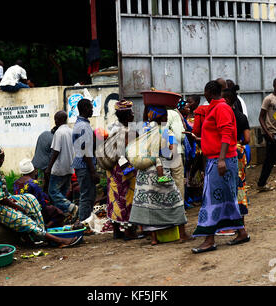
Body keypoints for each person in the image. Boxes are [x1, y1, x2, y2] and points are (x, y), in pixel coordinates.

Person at [0, 145, 82, 247]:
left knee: (30, 198)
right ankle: (58, 240)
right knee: (25, 220)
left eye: (3, 158)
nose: (2, 160)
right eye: (0, 158)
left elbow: (4, 194)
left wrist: (16, 202)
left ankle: (40, 232)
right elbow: (0, 199)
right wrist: (18, 207)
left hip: (4, 199)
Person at [192, 81, 250, 254]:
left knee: (211, 199)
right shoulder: (215, 108)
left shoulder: (221, 108)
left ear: (210, 92)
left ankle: (209, 239)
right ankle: (241, 232)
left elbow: (227, 134)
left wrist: (222, 159)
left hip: (221, 159)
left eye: (205, 93)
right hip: (216, 158)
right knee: (227, 198)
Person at [129, 105, 191, 246]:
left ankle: (154, 238)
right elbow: (169, 154)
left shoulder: (145, 130)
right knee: (176, 200)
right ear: (162, 117)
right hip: (160, 173)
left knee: (150, 203)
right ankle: (182, 234)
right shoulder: (165, 132)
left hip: (144, 175)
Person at [105, 100, 141, 240]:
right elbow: (121, 152)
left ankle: (116, 231)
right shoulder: (124, 131)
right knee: (126, 199)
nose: (133, 115)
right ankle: (128, 232)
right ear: (126, 116)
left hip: (113, 169)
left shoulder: (113, 127)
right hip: (123, 169)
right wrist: (129, 168)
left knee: (114, 198)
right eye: (131, 113)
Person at [222, 88, 250, 220]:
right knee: (240, 183)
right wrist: (240, 142)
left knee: (226, 184)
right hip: (239, 151)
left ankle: (229, 217)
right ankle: (241, 214)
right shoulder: (241, 117)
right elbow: (248, 139)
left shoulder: (223, 116)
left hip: (227, 152)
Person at [45, 111, 78, 221]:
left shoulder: (59, 132)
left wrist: (49, 168)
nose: (55, 121)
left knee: (53, 192)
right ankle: (65, 217)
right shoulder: (71, 131)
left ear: (59, 120)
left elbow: (55, 151)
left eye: (55, 119)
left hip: (59, 169)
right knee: (62, 194)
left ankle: (71, 207)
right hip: (69, 168)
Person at [14, 159, 66, 229]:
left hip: (22, 209)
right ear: (33, 171)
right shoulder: (33, 183)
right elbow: (42, 203)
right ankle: (46, 227)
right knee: (59, 213)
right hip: (35, 211)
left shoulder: (16, 182)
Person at [72, 99, 99, 222]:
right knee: (86, 196)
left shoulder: (82, 124)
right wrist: (93, 171)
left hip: (83, 166)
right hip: (85, 166)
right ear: (84, 109)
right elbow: (85, 150)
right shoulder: (83, 126)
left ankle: (87, 221)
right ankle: (83, 223)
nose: (92, 110)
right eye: (90, 107)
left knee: (90, 195)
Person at [32, 127, 56, 191]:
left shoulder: (44, 133)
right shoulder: (54, 139)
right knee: (46, 185)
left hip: (35, 163)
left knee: (34, 185)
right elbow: (53, 155)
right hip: (45, 166)